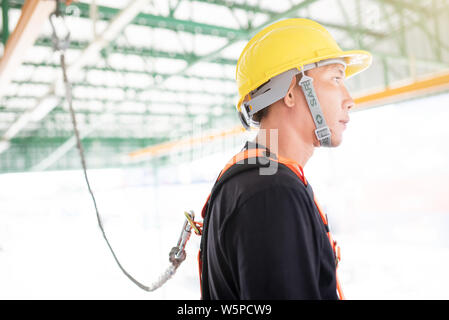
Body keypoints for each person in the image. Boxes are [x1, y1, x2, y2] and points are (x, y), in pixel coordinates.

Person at [198, 18, 372, 300]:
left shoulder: (258, 177)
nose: (349, 98)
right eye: (336, 78)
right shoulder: (272, 192)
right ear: (290, 92)